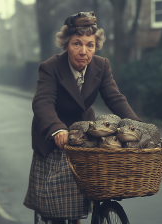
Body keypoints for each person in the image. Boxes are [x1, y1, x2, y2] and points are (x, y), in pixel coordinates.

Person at [23, 12, 142, 224]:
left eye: (90, 45)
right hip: (55, 135)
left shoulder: (101, 65)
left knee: (94, 185)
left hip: (85, 133)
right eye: (77, 44)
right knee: (57, 208)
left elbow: (115, 98)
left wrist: (136, 125)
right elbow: (43, 102)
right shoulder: (50, 67)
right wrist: (56, 128)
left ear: (96, 47)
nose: (84, 51)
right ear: (66, 44)